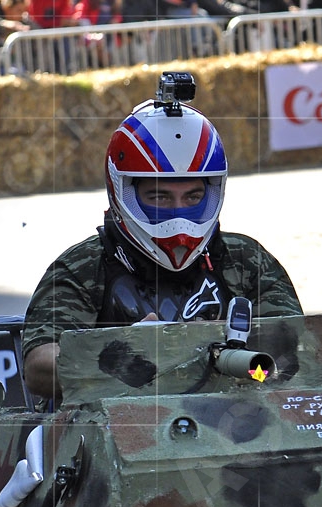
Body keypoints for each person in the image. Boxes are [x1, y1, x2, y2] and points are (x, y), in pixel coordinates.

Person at [21, 74, 304, 404]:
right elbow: (38, 368)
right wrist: (120, 356)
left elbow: (292, 360)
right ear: (124, 192)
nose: (178, 215)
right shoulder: (83, 267)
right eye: (160, 197)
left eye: (193, 197)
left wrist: (238, 366)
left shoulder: (247, 260)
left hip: (234, 423)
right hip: (114, 425)